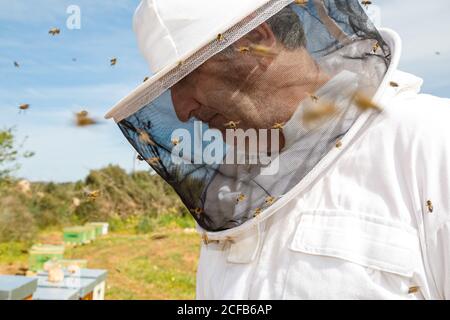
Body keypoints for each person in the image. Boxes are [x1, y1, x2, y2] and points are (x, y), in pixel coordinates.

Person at [106, 0, 450, 299]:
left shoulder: (432, 141)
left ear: (257, 41)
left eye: (186, 78)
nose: (181, 110)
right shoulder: (232, 190)